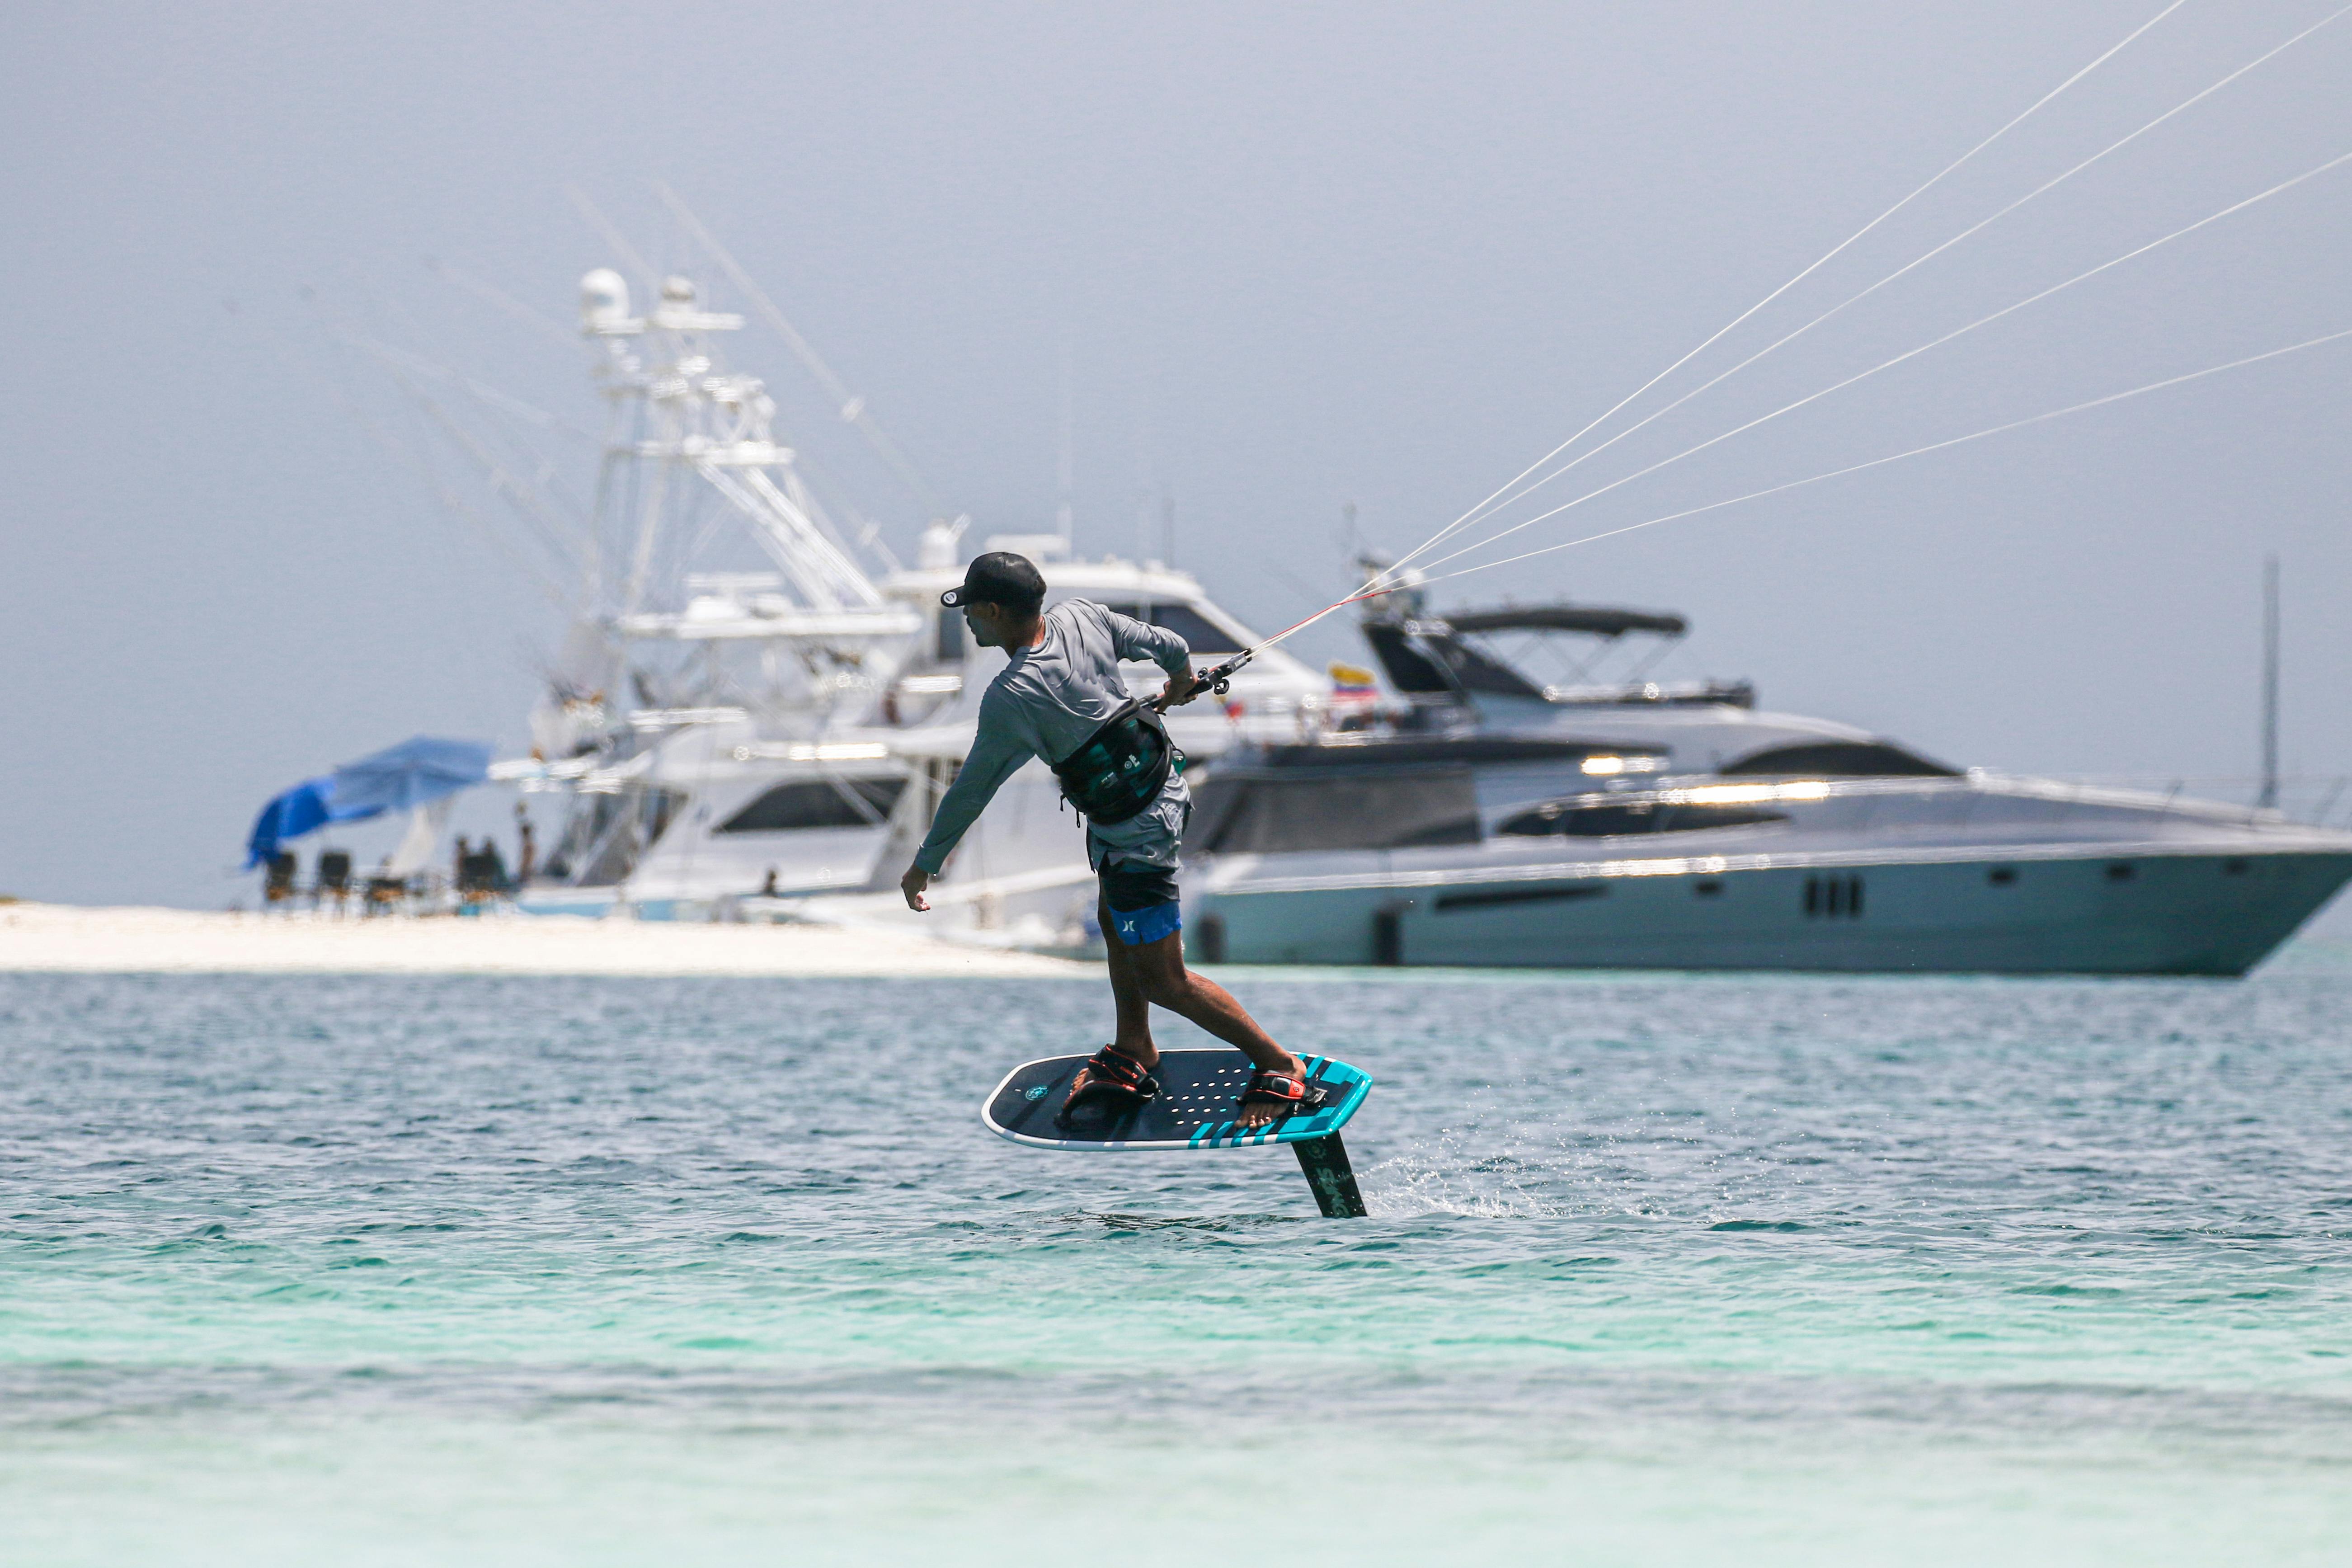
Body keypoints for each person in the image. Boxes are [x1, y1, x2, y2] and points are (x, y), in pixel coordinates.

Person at [900, 551, 1311, 1131]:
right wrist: (1178, 683)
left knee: (1164, 980)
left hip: (1137, 831)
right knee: (1112, 917)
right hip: (1156, 794)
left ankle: (1276, 1063)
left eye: (971, 609)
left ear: (993, 611)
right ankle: (1134, 1047)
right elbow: (1166, 643)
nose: (968, 621)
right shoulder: (1081, 617)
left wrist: (925, 864)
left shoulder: (1011, 697)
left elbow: (972, 790)